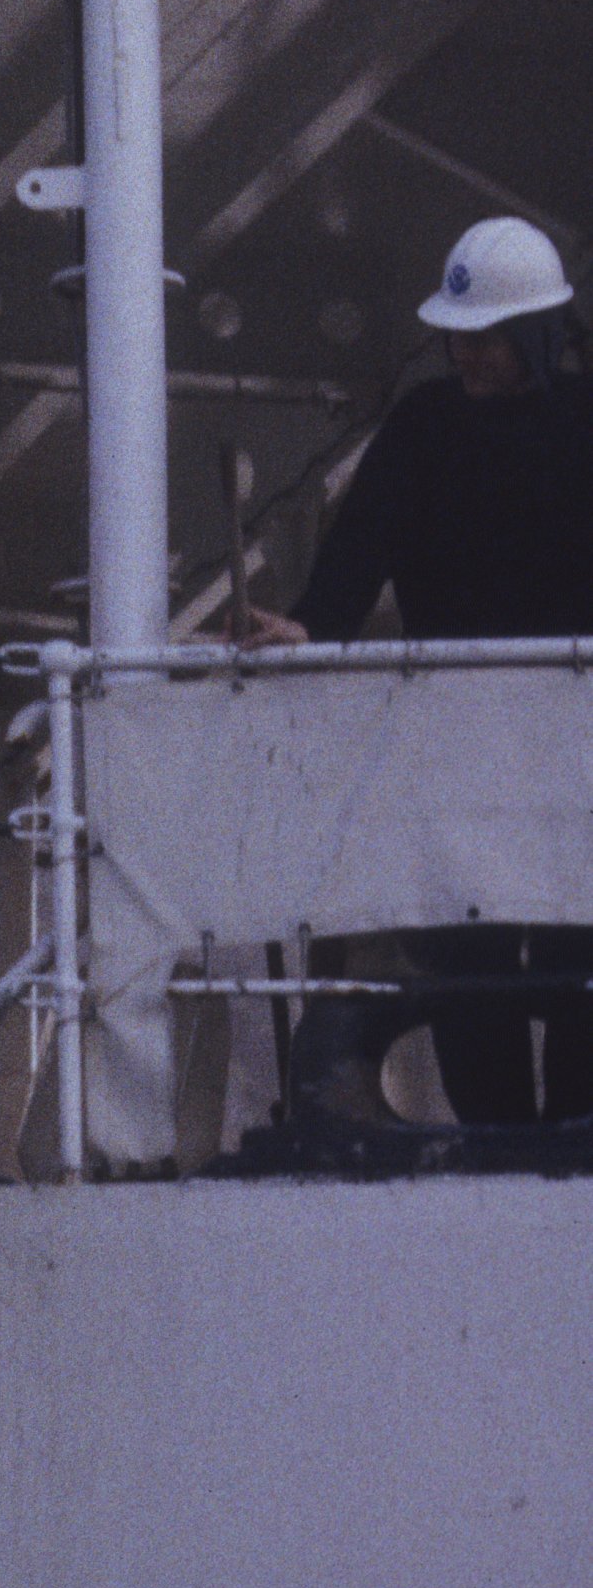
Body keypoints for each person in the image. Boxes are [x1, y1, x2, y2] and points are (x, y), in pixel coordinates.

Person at [244, 214, 593, 1130]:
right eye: (457, 337)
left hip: (573, 751)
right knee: (467, 954)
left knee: (578, 955)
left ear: (537, 336)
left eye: (486, 339)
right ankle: (499, 1140)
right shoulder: (423, 429)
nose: (466, 355)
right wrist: (310, 630)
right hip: (463, 748)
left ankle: (571, 1141)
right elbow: (363, 547)